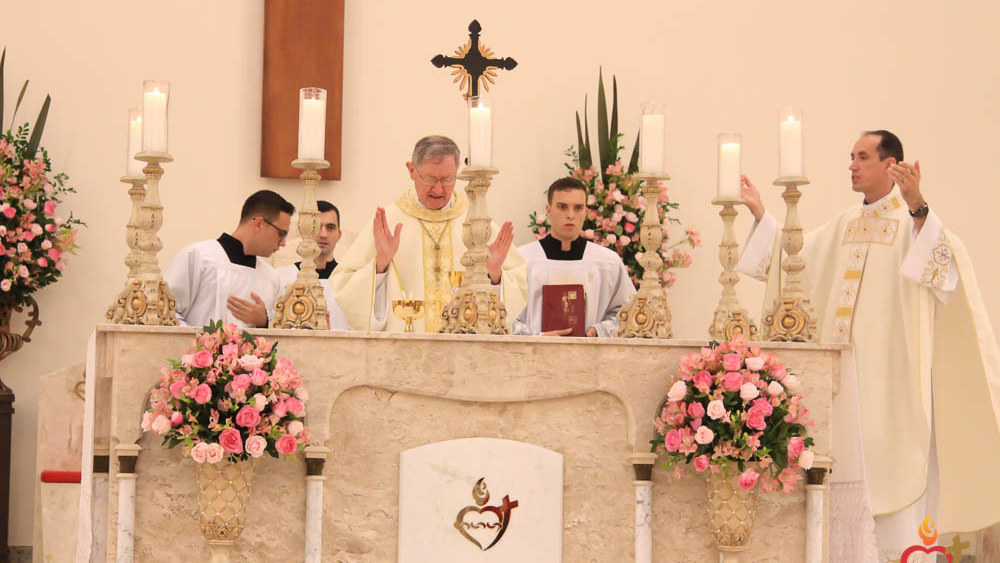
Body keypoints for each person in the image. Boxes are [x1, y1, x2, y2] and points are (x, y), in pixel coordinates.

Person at [736, 130, 1000, 561]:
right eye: (850, 157)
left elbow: (942, 270)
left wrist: (917, 204)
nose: (852, 165)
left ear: (889, 165)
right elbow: (793, 256)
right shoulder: (843, 225)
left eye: (862, 157)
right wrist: (763, 216)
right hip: (843, 392)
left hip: (890, 391)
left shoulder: (912, 225)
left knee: (897, 489)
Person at [330, 135, 527, 332]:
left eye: (448, 179)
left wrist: (493, 275)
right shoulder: (390, 221)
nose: (439, 189)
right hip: (406, 352)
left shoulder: (476, 222)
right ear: (412, 170)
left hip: (465, 349)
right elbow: (346, 289)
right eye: (430, 179)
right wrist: (381, 263)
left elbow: (517, 286)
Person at [512, 177, 635, 337]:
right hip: (532, 357)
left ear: (586, 212)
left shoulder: (607, 262)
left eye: (578, 208)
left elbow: (629, 313)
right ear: (548, 210)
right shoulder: (522, 260)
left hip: (591, 357)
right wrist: (537, 337)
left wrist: (600, 331)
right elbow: (504, 317)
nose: (570, 215)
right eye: (562, 207)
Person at [165, 189, 293, 328]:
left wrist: (265, 322)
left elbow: (282, 334)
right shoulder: (199, 257)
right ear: (259, 224)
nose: (283, 243)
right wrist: (204, 344)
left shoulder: (271, 277)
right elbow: (166, 313)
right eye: (281, 234)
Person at [275, 200, 350, 330]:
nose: (323, 234)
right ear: (304, 232)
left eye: (330, 228)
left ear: (339, 235)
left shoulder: (348, 280)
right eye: (316, 227)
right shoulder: (281, 277)